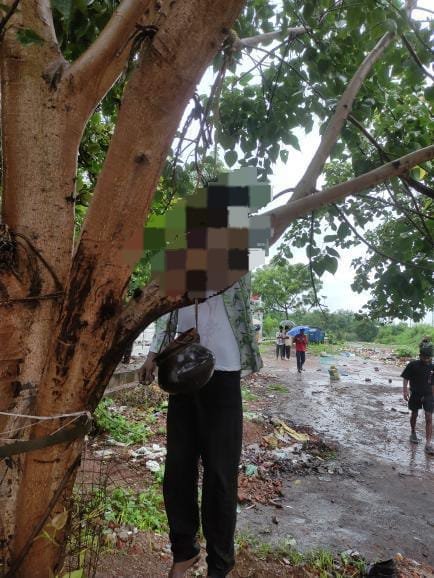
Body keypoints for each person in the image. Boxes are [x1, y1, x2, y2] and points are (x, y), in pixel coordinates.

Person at [139, 275, 262, 578]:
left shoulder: (238, 252)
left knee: (220, 474)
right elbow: (164, 305)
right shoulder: (177, 257)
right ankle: (184, 551)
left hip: (224, 372)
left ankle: (219, 563)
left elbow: (241, 261)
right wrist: (153, 354)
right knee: (177, 469)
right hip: (182, 368)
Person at [401, 346, 434, 455]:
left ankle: (428, 443)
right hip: (415, 393)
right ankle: (413, 432)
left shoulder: (432, 366)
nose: (426, 359)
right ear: (420, 356)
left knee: (429, 417)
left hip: (429, 395)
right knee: (414, 414)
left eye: (428, 357)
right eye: (424, 357)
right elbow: (406, 377)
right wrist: (405, 390)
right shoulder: (413, 365)